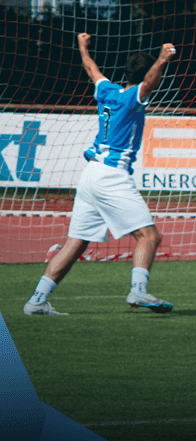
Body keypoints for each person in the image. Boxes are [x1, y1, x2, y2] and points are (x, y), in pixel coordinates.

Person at [24, 33, 176, 315]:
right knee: (149, 237)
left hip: (90, 173)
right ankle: (138, 292)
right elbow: (151, 82)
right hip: (111, 175)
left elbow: (91, 69)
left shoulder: (106, 91)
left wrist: (82, 46)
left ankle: (37, 300)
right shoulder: (134, 97)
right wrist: (163, 59)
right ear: (143, 77)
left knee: (77, 241)